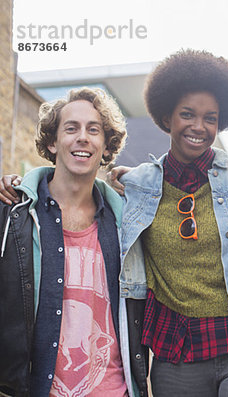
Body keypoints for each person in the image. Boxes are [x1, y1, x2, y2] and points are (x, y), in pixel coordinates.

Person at [109, 49, 228, 396]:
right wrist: (26, 183)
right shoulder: (139, 185)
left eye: (210, 118)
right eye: (187, 115)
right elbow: (81, 195)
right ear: (166, 116)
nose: (199, 127)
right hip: (177, 352)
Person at [0, 87, 148, 396]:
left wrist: (146, 187)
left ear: (106, 147)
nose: (83, 137)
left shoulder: (128, 223)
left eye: (94, 130)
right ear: (52, 143)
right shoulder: (15, 216)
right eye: (71, 128)